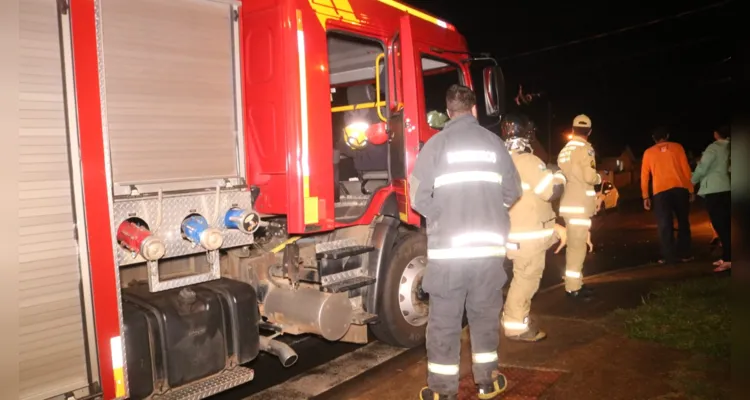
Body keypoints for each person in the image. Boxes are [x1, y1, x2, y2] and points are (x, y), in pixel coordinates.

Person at [409, 84, 522, 400]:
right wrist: (489, 211)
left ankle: (443, 392)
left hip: (450, 255)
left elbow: (417, 196)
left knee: (444, 321)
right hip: (487, 253)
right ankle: (487, 383)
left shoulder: (436, 145)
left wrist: (443, 216)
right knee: (484, 318)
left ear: (448, 112)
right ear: (474, 109)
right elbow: (513, 191)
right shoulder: (495, 144)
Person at [500, 114, 568, 342]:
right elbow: (552, 192)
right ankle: (515, 325)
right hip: (527, 236)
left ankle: (514, 318)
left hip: (508, 232)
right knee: (526, 279)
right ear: (526, 135)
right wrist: (558, 174)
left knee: (517, 277)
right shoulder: (528, 162)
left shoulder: (499, 160)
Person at [556, 114, 598, 300]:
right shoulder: (585, 149)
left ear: (573, 130)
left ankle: (574, 284)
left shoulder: (565, 150)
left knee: (574, 247)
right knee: (577, 248)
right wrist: (599, 178)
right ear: (589, 131)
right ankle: (574, 288)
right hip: (580, 205)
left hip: (567, 204)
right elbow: (589, 177)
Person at [640, 127, 695, 264]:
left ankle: (668, 256)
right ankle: (685, 254)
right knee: (683, 221)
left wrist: (645, 196)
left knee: (664, 224)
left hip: (660, 192)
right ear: (668, 136)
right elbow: (686, 169)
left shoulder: (648, 153)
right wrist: (691, 189)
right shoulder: (677, 148)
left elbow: (645, 176)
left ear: (654, 138)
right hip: (680, 189)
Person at [692, 126, 731, 271]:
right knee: (727, 224)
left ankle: (728, 259)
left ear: (716, 134)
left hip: (715, 189)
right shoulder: (730, 147)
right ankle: (728, 256)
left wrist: (692, 180)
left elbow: (702, 167)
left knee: (720, 225)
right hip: (727, 187)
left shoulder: (713, 148)